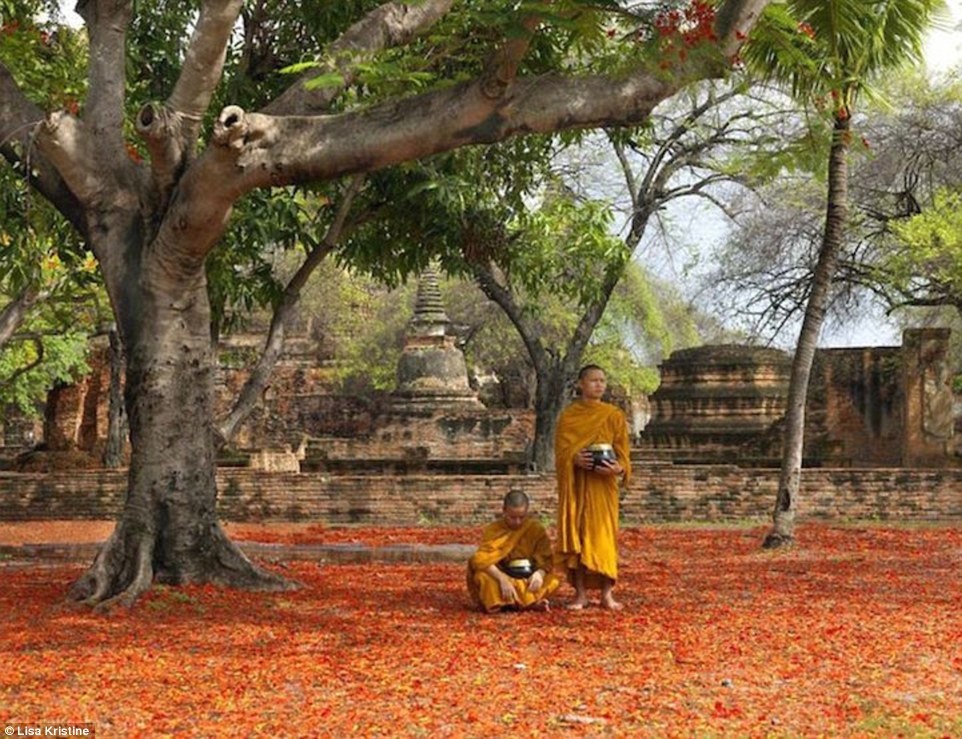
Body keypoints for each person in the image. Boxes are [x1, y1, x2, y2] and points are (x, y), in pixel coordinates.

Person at [554, 364, 631, 610]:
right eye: (593, 380)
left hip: (603, 487)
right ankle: (580, 594)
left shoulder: (613, 415)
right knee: (579, 536)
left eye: (602, 381)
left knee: (603, 537)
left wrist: (618, 469)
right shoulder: (569, 417)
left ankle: (607, 593)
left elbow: (624, 456)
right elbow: (561, 454)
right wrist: (573, 459)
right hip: (578, 486)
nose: (599, 385)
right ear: (581, 384)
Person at [466, 489, 561, 613]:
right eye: (512, 517)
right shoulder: (494, 529)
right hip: (501, 575)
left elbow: (546, 559)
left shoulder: (535, 529)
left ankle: (509, 602)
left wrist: (539, 574)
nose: (517, 522)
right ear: (504, 511)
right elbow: (481, 559)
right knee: (482, 577)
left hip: (527, 576)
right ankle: (528, 602)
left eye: (521, 517)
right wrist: (502, 578)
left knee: (553, 581)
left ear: (527, 511)